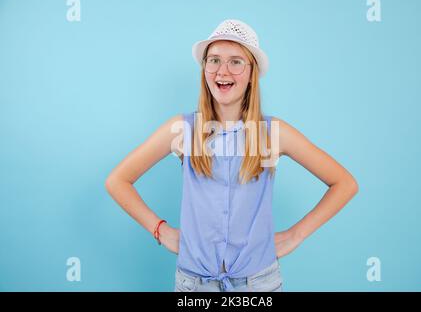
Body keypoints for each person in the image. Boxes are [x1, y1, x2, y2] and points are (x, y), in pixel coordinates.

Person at [105, 19, 359, 292]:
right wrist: (161, 231)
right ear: (204, 70)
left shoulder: (273, 133)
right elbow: (118, 180)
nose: (222, 71)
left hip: (259, 284)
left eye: (236, 62)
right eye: (213, 60)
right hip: (194, 285)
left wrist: (295, 235)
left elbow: (344, 183)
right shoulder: (182, 130)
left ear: (252, 73)